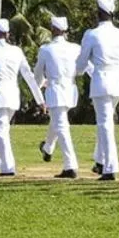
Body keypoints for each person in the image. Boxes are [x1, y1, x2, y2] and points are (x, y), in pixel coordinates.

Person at [77, 0, 119, 181]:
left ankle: (110, 167)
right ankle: (100, 160)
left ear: (99, 13)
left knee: (105, 125)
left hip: (101, 81)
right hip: (117, 81)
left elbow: (81, 63)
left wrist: (78, 72)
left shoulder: (92, 34)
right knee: (106, 122)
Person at [0, 20, 42, 177]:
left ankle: (8, 166)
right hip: (12, 95)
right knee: (3, 129)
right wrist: (39, 99)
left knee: (0, 130)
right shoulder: (16, 51)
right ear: (7, 34)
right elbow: (28, 76)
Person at [36, 17, 84, 178]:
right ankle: (48, 147)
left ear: (52, 29)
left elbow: (38, 73)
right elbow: (81, 70)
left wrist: (38, 87)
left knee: (62, 125)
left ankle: (70, 166)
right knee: (58, 121)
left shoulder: (46, 49)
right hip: (70, 89)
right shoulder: (75, 48)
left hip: (55, 89)